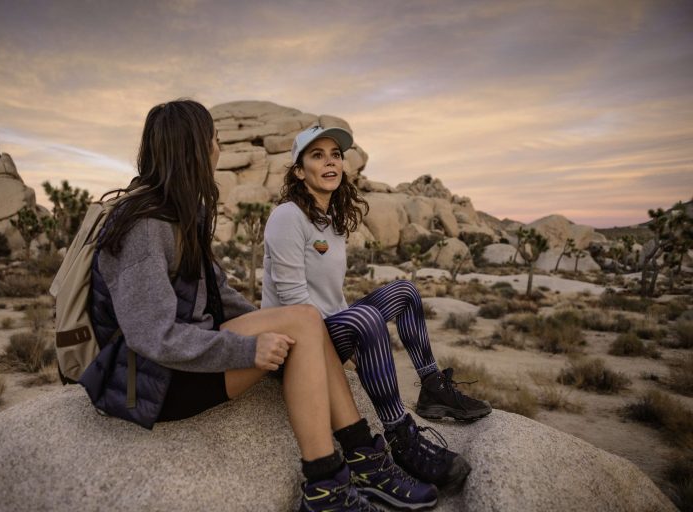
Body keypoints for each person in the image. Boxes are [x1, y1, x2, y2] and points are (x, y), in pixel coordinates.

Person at [78, 100, 440, 512]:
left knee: (304, 320)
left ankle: (365, 461)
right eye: (214, 139)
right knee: (302, 323)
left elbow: (219, 294)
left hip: (178, 360)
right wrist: (248, 349)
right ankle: (326, 486)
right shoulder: (144, 224)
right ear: (196, 147)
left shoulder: (182, 212)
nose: (218, 148)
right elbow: (151, 336)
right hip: (144, 381)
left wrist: (276, 326)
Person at [261, 124, 492, 489]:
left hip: (327, 331)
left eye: (335, 155)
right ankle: (400, 436)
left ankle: (433, 388)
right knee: (366, 317)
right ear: (300, 171)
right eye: (317, 156)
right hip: (295, 344)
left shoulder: (331, 222)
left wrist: (348, 336)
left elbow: (332, 297)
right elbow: (294, 302)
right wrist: (348, 345)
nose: (330, 162)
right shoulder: (288, 216)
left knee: (405, 291)